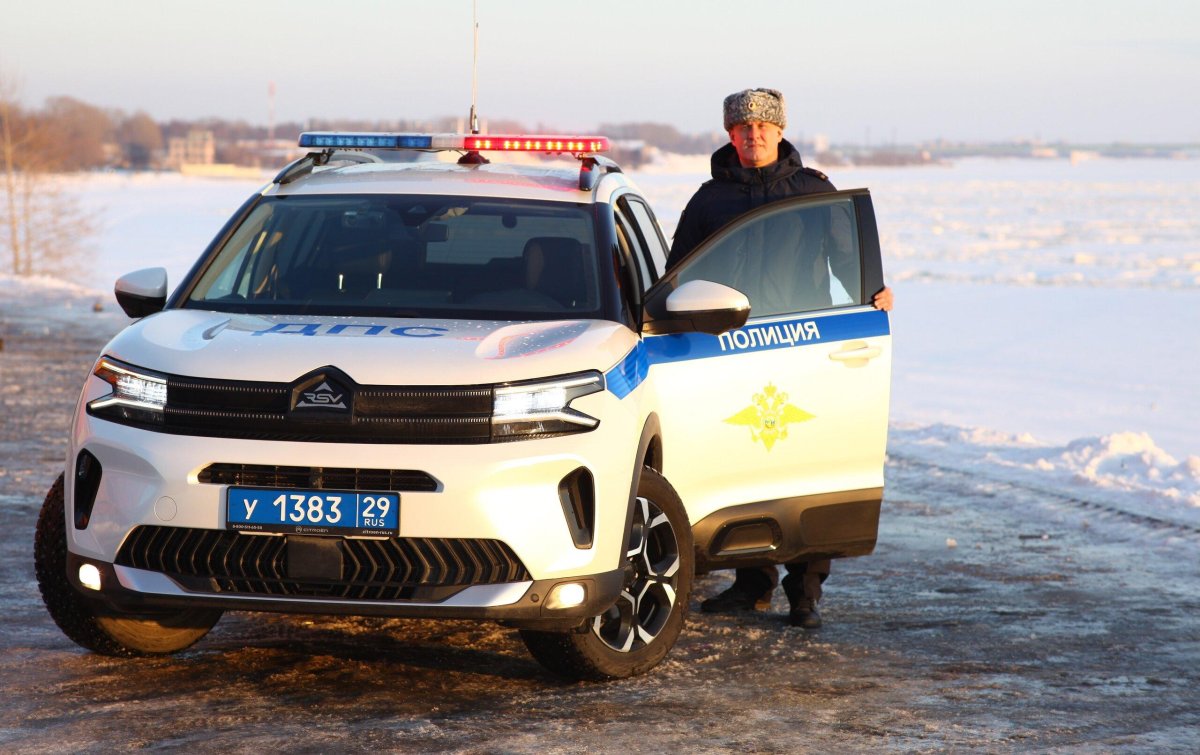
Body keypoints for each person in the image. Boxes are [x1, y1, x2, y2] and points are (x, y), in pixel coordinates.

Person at [669, 88, 893, 629]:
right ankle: (753, 584)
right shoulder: (708, 201)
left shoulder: (814, 193)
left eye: (763, 127)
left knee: (805, 462)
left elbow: (849, 262)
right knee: (745, 463)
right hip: (730, 350)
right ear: (730, 134)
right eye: (743, 128)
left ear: (780, 131)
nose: (754, 135)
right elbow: (679, 274)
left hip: (801, 346)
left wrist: (875, 296)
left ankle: (806, 592)